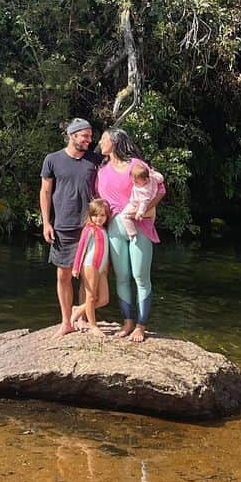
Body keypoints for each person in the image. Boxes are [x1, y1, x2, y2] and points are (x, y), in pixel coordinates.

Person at [97, 128, 162, 343]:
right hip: (115, 227)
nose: (100, 142)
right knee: (122, 277)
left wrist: (145, 209)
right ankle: (127, 323)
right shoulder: (102, 170)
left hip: (140, 225)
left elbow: (161, 189)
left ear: (114, 142)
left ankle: (141, 326)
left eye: (104, 139)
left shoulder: (136, 165)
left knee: (141, 277)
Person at [40, 118, 100, 335]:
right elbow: (45, 192)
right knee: (63, 275)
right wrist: (46, 222)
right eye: (85, 136)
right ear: (72, 135)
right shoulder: (52, 159)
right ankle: (66, 322)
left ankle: (82, 318)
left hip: (90, 226)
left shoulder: (95, 159)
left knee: (88, 275)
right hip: (63, 225)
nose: (89, 140)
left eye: (91, 136)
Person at [70, 198, 111, 334]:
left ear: (107, 216)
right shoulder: (89, 228)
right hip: (90, 265)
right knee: (91, 297)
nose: (98, 218)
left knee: (104, 299)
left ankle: (79, 309)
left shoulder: (104, 229)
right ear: (90, 215)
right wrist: (76, 267)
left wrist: (106, 267)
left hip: (102, 268)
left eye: (102, 215)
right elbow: (81, 248)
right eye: (95, 215)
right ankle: (93, 325)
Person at [113, 161, 164, 238]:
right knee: (151, 221)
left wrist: (140, 213)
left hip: (136, 204)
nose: (134, 182)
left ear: (145, 180)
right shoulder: (153, 178)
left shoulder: (144, 190)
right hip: (148, 205)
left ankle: (131, 232)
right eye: (133, 180)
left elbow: (143, 202)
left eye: (136, 181)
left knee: (123, 215)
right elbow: (160, 178)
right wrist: (154, 173)